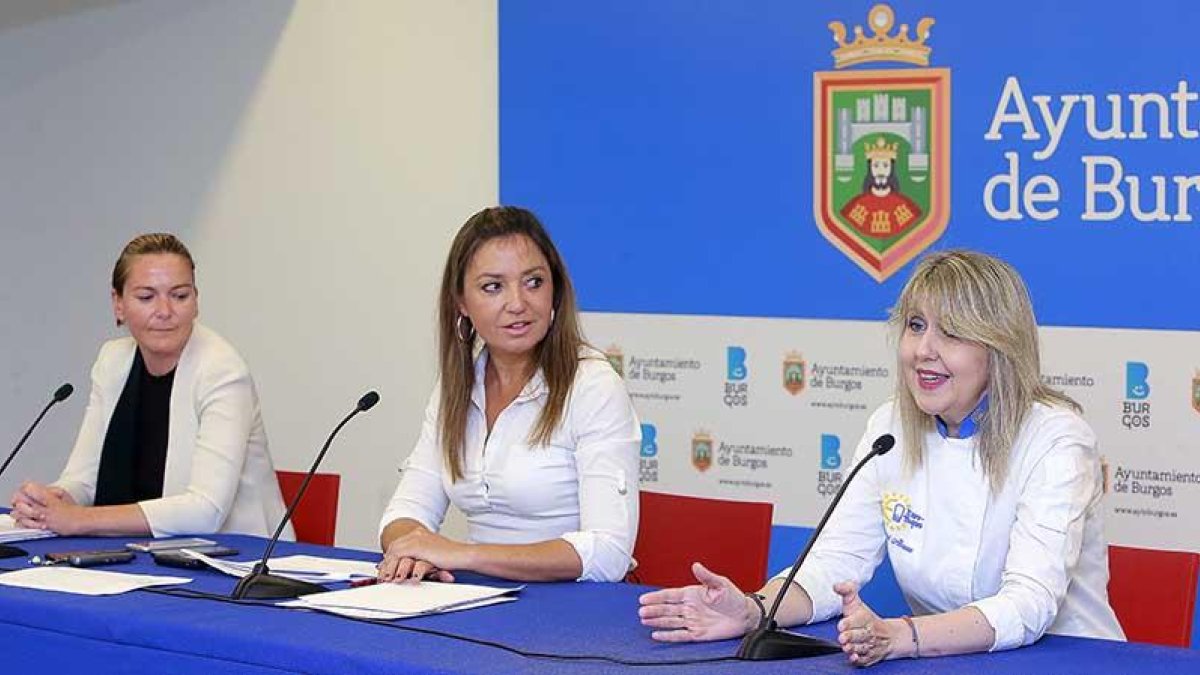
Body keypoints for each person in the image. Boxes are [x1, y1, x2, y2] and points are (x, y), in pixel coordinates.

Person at [638, 250, 1124, 666]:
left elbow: (1028, 606)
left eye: (952, 333)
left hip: (1067, 658)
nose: (923, 351)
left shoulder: (1056, 438)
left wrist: (901, 637)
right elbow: (834, 562)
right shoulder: (890, 426)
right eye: (916, 327)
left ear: (1000, 350)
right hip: (947, 659)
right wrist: (753, 609)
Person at [377, 206, 640, 583]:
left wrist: (461, 554)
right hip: (476, 600)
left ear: (556, 290)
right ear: (462, 303)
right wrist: (416, 551)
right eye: (493, 287)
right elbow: (404, 511)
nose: (518, 303)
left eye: (533, 282)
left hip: (573, 613)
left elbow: (608, 554)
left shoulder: (593, 386)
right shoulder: (457, 386)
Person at [10, 233, 290, 538]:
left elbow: (206, 511)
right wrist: (50, 502)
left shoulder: (222, 371)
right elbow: (85, 480)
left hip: (237, 562)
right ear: (118, 304)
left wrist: (79, 520)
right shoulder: (112, 361)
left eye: (180, 296)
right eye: (146, 297)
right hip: (139, 555)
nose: (165, 311)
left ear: (196, 302)